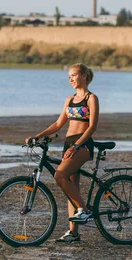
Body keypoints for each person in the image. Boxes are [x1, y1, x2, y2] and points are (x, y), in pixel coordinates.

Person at [25, 63, 98, 243]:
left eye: (74, 75)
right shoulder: (69, 99)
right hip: (69, 144)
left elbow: (92, 127)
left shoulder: (91, 98)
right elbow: (58, 124)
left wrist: (77, 146)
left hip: (83, 144)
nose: (71, 79)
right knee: (71, 188)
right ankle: (73, 232)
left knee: (59, 175)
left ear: (83, 76)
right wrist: (38, 135)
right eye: (69, 77)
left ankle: (84, 210)